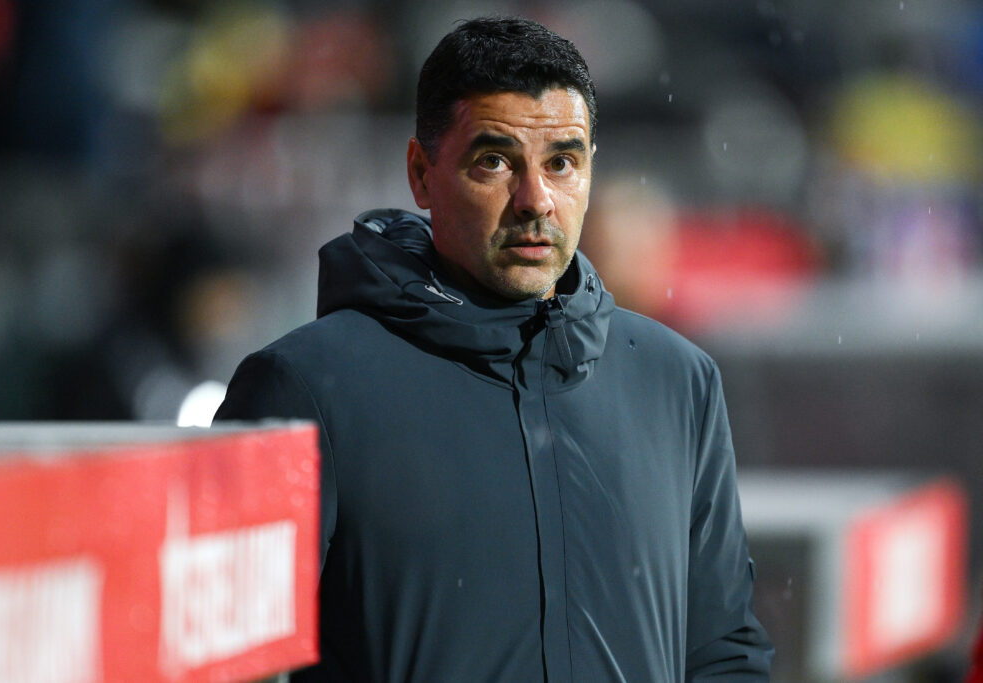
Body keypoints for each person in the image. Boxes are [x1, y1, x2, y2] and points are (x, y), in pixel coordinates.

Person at [216, 16, 774, 682]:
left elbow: (721, 651)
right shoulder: (302, 388)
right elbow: (226, 659)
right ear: (422, 175)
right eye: (496, 161)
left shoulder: (678, 380)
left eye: (562, 161)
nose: (536, 201)